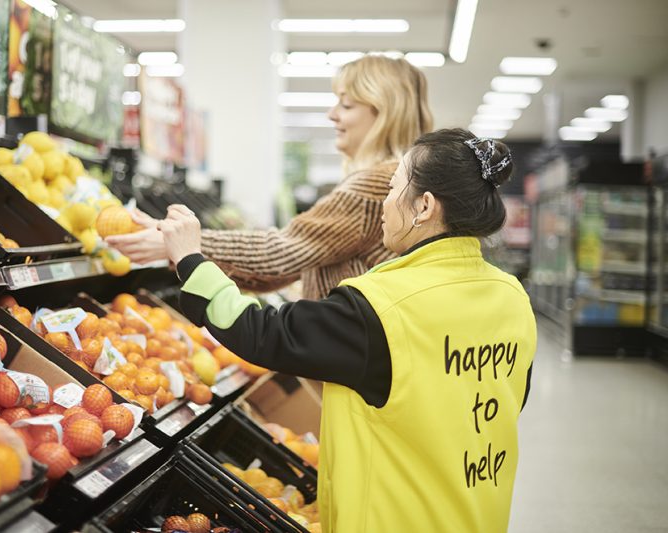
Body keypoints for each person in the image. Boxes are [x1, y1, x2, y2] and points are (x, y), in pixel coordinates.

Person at [156, 129, 537, 532]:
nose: (385, 207)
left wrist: (191, 261)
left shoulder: (382, 305)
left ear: (424, 206)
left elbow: (261, 332)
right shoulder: (512, 297)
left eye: (392, 189)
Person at [107, 55, 433, 300]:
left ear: (383, 113)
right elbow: (285, 269)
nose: (332, 114)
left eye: (346, 105)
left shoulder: (376, 184)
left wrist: (183, 243)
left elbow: (283, 251)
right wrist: (181, 253)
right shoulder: (401, 181)